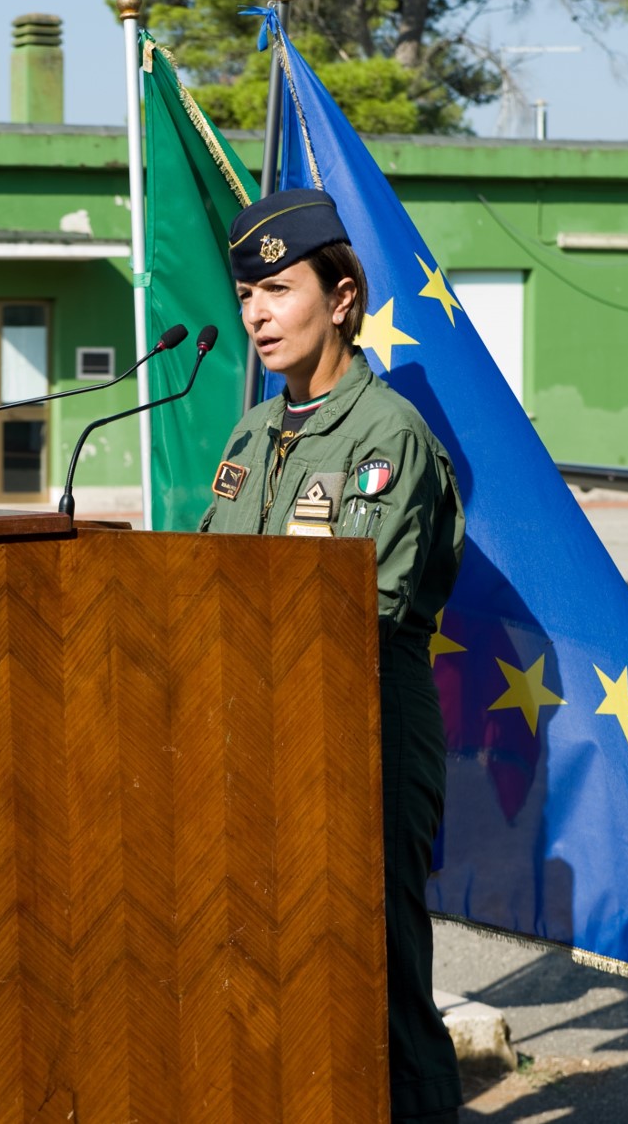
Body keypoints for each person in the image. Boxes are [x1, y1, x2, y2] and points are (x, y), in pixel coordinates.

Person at [199, 188, 466, 1123]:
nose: (256, 314)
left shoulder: (385, 434)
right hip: (253, 733)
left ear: (343, 295)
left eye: (277, 288)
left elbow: (360, 610)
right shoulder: (250, 433)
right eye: (247, 296)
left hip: (365, 735)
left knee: (378, 977)